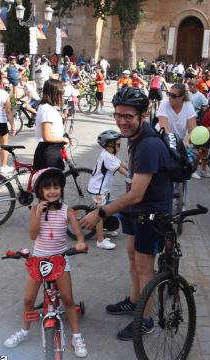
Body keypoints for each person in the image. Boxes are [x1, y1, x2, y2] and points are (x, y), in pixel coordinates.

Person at [80, 87, 172, 341]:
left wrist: (101, 212)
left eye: (128, 116)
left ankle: (146, 319)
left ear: (142, 115)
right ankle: (134, 302)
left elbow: (136, 194)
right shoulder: (135, 137)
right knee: (132, 256)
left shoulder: (149, 144)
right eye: (118, 115)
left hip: (151, 212)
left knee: (145, 267)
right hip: (136, 212)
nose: (122, 121)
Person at [4, 167, 88, 357]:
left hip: (60, 258)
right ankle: (24, 332)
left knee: (68, 299)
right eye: (47, 188)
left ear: (61, 189)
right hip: (39, 258)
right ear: (40, 191)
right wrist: (38, 214)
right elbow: (33, 235)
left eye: (56, 187)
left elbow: (79, 234)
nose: (52, 191)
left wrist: (81, 243)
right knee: (28, 299)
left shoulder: (68, 211)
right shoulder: (35, 209)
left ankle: (76, 336)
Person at [87, 130, 128, 249]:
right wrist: (132, 178)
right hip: (98, 190)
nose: (120, 147)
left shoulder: (109, 154)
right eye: (118, 145)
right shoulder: (107, 157)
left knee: (106, 209)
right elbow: (121, 170)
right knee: (100, 214)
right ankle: (100, 240)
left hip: (102, 188)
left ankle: (104, 229)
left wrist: (134, 171)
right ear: (109, 146)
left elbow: (121, 164)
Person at [33, 79, 70, 171]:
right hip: (49, 152)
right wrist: (63, 139)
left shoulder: (48, 107)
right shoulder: (47, 110)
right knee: (51, 184)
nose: (62, 96)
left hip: (52, 150)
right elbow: (47, 137)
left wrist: (63, 119)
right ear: (55, 93)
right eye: (61, 92)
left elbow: (53, 129)